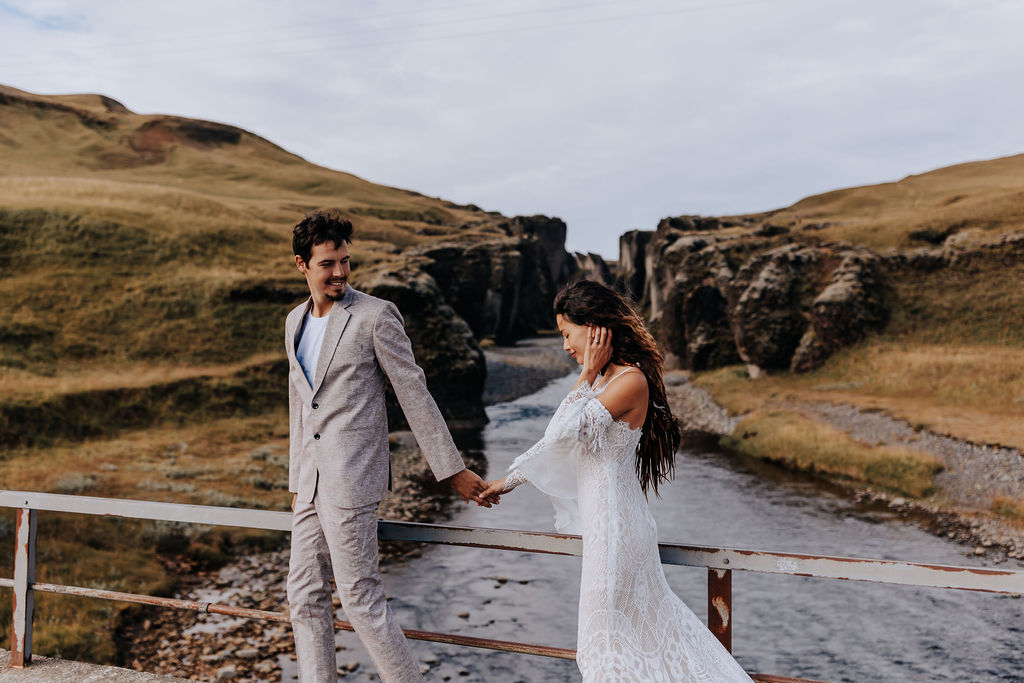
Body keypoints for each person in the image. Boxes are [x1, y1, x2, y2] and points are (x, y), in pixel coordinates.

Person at [482, 280, 752, 682]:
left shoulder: (630, 381)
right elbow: (562, 448)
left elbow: (561, 435)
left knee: (600, 648)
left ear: (593, 330)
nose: (564, 346)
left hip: (616, 531)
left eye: (566, 334)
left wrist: (587, 371)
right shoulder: (604, 384)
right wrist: (510, 481)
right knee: (631, 641)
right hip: (607, 528)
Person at [285, 210, 497, 683]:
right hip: (310, 486)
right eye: (327, 264)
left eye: (344, 261)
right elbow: (301, 406)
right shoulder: (293, 321)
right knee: (303, 596)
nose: (339, 272)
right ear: (303, 265)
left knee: (361, 602)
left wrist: (453, 470)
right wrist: (296, 479)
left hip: (353, 481)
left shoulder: (375, 317)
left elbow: (414, 393)